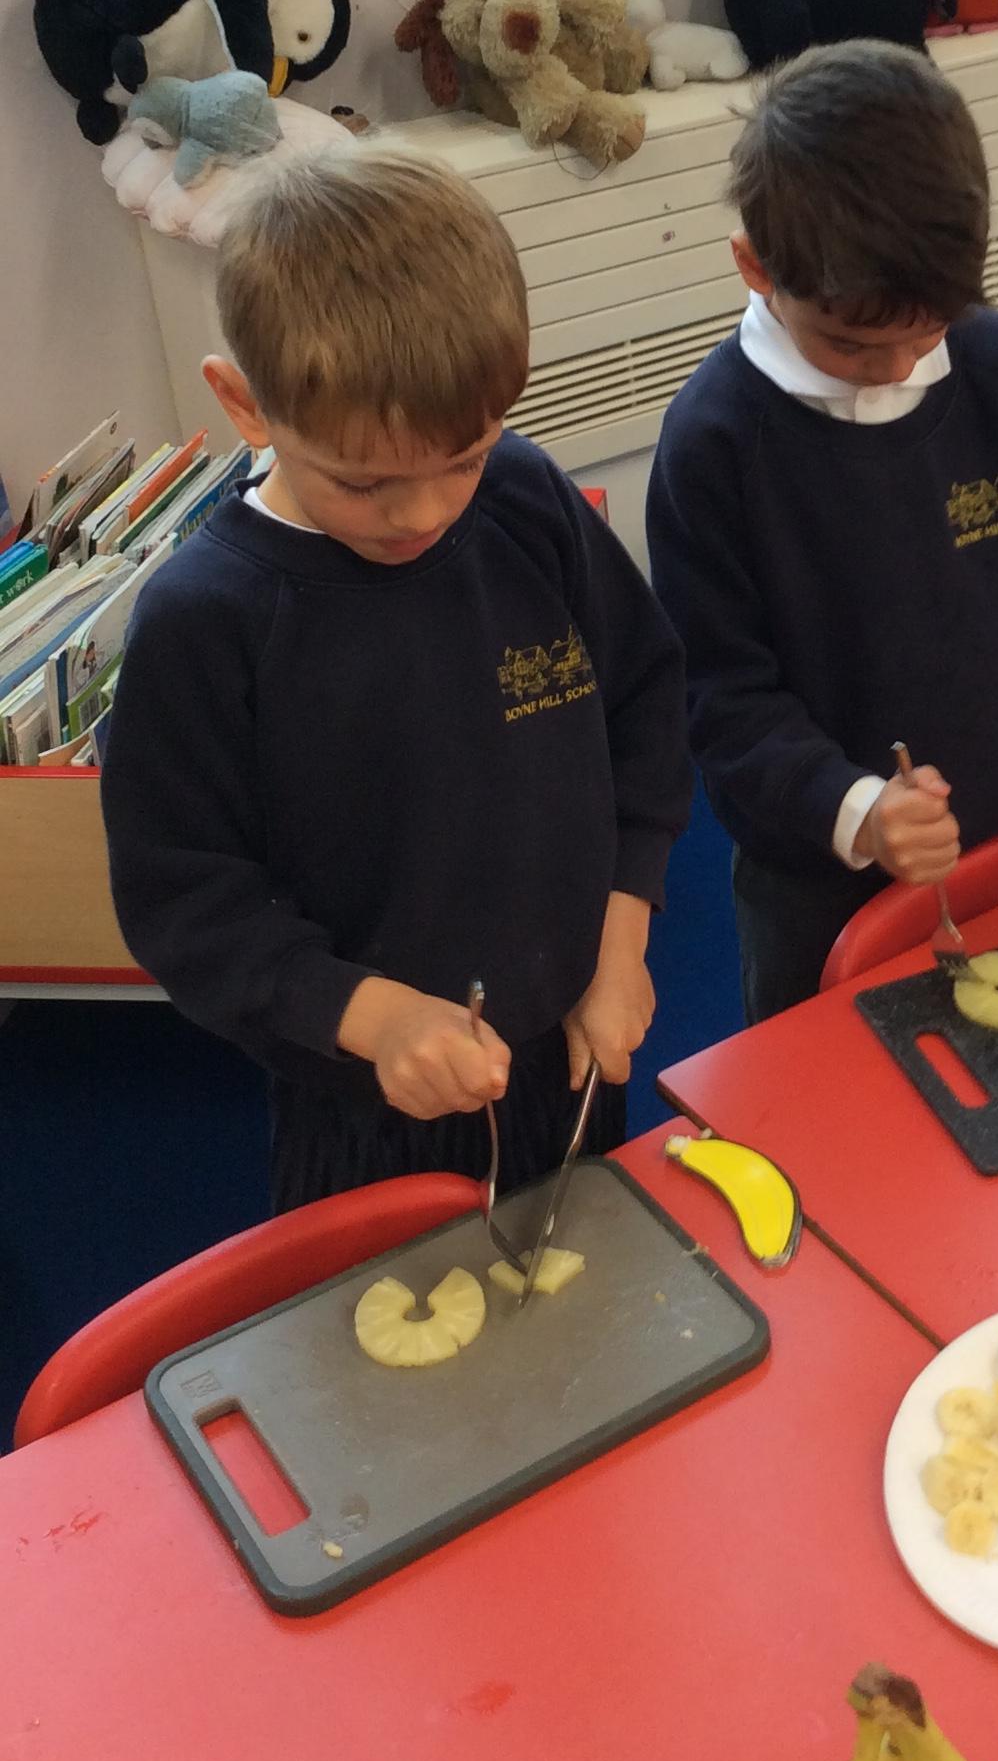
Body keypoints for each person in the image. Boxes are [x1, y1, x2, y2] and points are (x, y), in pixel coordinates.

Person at [101, 151, 690, 1209]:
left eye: (463, 459)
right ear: (244, 404)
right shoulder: (205, 622)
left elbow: (642, 704)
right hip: (366, 1101)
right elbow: (185, 899)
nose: (422, 514)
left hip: (567, 1047)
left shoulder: (524, 500)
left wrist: (621, 941)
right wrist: (373, 1018)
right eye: (364, 482)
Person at [647, 40, 998, 1023]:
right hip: (819, 877)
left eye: (927, 330)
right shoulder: (713, 444)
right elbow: (718, 696)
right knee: (829, 1096)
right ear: (755, 268)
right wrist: (854, 808)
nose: (896, 369)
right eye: (851, 343)